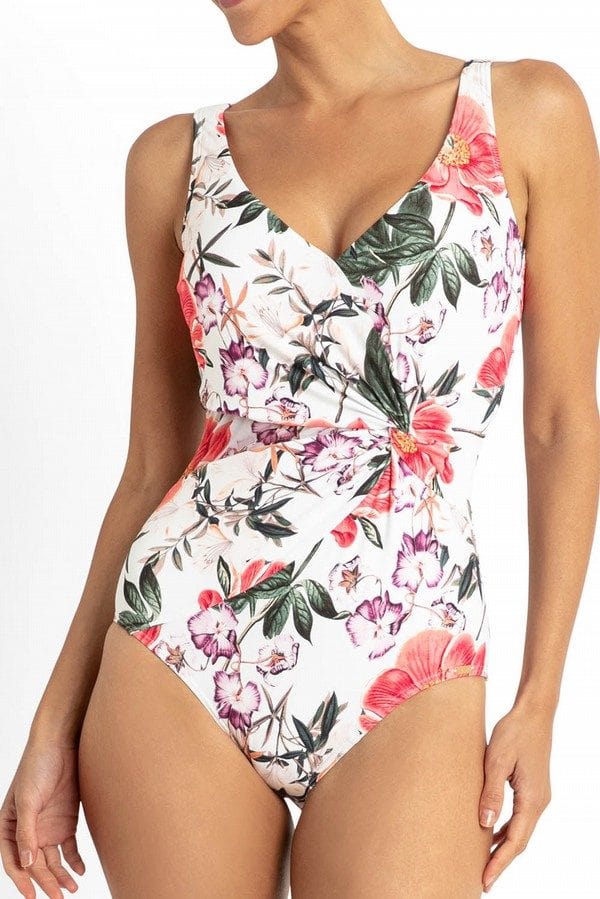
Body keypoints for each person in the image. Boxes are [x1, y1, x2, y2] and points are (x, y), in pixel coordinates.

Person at [2, 2, 599, 897]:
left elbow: (562, 422)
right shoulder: (175, 161)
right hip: (181, 643)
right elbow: (151, 461)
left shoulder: (526, 112)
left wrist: (541, 696)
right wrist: (53, 721)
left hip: (409, 651)